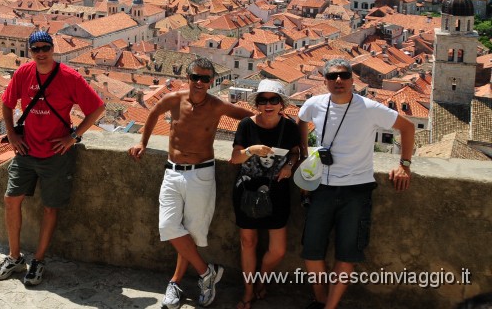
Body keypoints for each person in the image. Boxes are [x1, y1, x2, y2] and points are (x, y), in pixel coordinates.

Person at [128, 57, 254, 308]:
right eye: (195, 77)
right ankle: (207, 272)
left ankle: (176, 282)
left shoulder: (217, 106)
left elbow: (250, 118)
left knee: (192, 233)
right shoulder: (174, 99)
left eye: (205, 78)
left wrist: (249, 146)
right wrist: (143, 141)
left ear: (211, 82)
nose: (199, 82)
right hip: (172, 171)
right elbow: (153, 113)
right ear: (188, 78)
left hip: (202, 173)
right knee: (168, 225)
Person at [0, 30, 105, 287]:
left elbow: (98, 107)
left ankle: (38, 260)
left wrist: (73, 137)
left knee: (50, 208)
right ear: (30, 51)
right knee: (11, 200)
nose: (41, 53)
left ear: (53, 49)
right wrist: (11, 135)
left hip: (56, 153)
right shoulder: (23, 73)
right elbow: (7, 103)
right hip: (26, 149)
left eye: (45, 48)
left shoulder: (69, 77)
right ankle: (15, 257)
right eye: (36, 49)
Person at [297, 58, 414, 309]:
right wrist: (303, 155)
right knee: (311, 252)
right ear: (324, 80)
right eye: (332, 76)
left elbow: (407, 127)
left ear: (352, 79)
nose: (338, 80)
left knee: (347, 254)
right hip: (321, 188)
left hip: (356, 192)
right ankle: (319, 300)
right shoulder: (314, 104)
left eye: (343, 75)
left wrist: (404, 164)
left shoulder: (370, 108)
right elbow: (301, 121)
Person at [229, 79, 300, 309]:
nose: (268, 104)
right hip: (247, 190)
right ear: (257, 104)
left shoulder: (290, 127)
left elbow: (295, 152)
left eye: (273, 99)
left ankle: (261, 278)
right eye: (263, 100)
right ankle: (248, 291)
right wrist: (251, 150)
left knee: (277, 250)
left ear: (282, 104)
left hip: (277, 191)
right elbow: (235, 159)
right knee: (248, 242)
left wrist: (290, 165)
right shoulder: (246, 126)